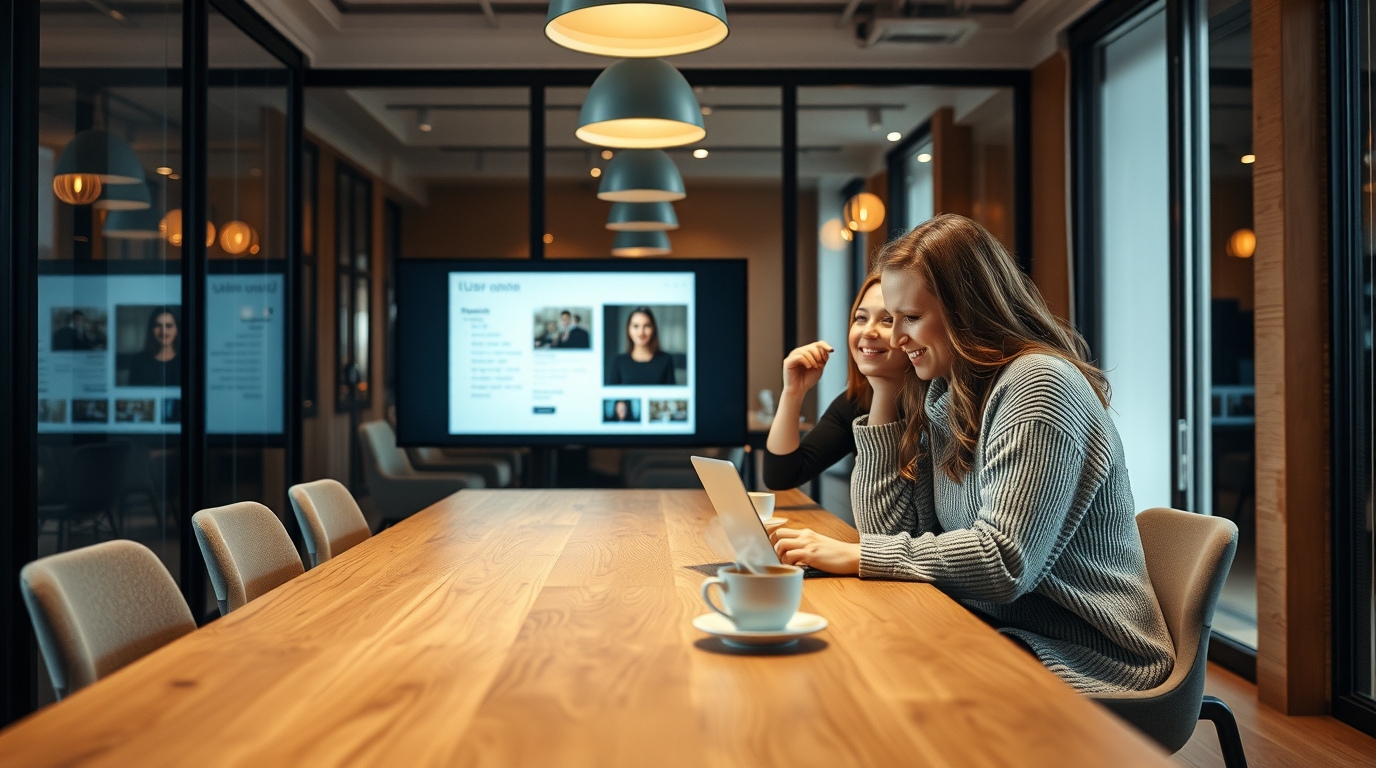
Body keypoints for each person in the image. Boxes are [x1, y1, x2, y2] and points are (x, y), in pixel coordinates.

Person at [770, 214, 1174, 694]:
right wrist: (885, 392)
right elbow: (891, 534)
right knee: (849, 656)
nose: (895, 339)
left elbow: (1004, 562)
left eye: (909, 318)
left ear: (966, 310)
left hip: (1087, 654)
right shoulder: (948, 394)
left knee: (861, 675)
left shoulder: (1039, 386)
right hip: (994, 625)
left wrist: (859, 554)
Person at [763, 273, 910, 490]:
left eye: (887, 320)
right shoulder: (857, 402)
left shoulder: (939, 403)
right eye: (861, 318)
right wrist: (793, 392)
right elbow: (781, 476)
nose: (868, 331)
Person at [607, 307, 676, 385]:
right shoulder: (618, 361)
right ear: (628, 329)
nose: (641, 332)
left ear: (653, 329)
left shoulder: (666, 360)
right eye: (636, 326)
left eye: (647, 326)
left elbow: (671, 392)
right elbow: (612, 392)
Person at [127, 307, 181, 387]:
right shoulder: (138, 361)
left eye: (169, 326)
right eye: (158, 325)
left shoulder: (186, 361)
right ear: (152, 330)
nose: (164, 331)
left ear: (177, 330)